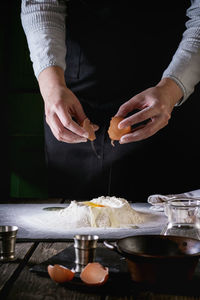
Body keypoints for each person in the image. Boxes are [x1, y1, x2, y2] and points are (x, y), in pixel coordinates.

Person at [21, 0, 200, 201]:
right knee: (76, 222)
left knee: (172, 222)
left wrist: (172, 88)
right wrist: (52, 86)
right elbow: (40, 4)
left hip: (172, 91)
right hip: (75, 99)